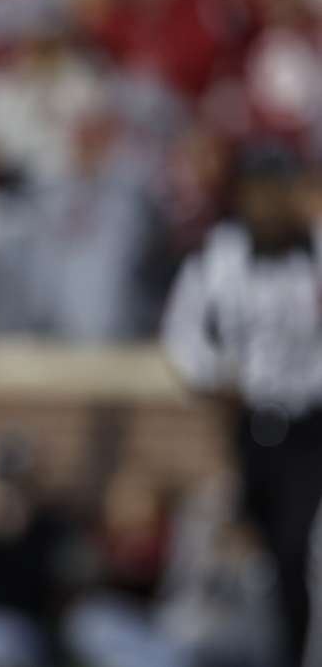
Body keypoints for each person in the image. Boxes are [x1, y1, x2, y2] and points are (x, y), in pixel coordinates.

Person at [163, 143, 322, 667]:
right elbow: (182, 340)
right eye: (260, 193)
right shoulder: (217, 260)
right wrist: (215, 382)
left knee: (299, 550)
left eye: (280, 192)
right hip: (242, 422)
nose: (270, 205)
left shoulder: (315, 252)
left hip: (308, 425)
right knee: (234, 546)